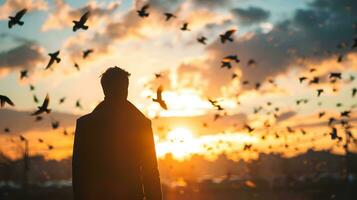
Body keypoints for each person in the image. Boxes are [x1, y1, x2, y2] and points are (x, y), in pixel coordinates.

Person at [72, 67, 162, 200]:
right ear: (126, 88)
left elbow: (79, 175)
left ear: (104, 89)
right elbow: (150, 174)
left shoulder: (86, 124)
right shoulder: (141, 124)